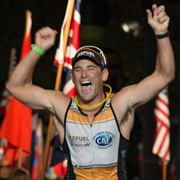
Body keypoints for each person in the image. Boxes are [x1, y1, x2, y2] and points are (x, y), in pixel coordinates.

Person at [6, 4, 175, 180]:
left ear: (104, 74)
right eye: (78, 69)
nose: (84, 74)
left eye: (90, 68)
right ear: (72, 76)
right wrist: (38, 48)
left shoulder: (120, 102)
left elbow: (164, 75)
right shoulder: (61, 105)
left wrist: (161, 34)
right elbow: (15, 86)